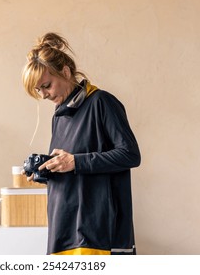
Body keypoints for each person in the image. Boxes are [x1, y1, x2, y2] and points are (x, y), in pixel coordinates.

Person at [22, 32, 141, 255]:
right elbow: (73, 168)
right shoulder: (59, 115)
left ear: (65, 72)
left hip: (97, 233)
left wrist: (75, 162)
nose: (44, 95)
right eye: (39, 90)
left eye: (46, 85)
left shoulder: (101, 102)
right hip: (62, 230)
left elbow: (130, 154)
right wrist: (48, 171)